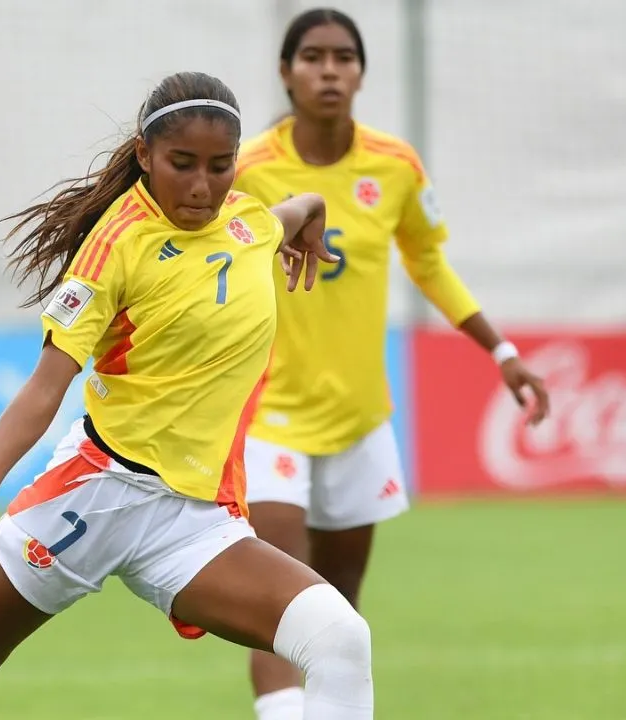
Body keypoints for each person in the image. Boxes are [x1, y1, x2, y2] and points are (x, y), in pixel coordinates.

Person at [0, 71, 378, 720]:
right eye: (182, 163)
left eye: (220, 166)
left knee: (340, 639)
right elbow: (45, 387)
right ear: (145, 155)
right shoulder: (114, 247)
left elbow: (295, 210)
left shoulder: (248, 224)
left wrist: (311, 214)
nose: (202, 185)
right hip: (92, 498)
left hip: (189, 521)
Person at [232, 9, 552, 720]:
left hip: (359, 417)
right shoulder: (248, 170)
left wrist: (501, 351)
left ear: (361, 73)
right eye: (312, 57)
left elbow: (429, 262)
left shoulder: (395, 165)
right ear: (285, 73)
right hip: (269, 416)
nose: (329, 70)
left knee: (340, 611)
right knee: (282, 602)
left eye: (343, 57)